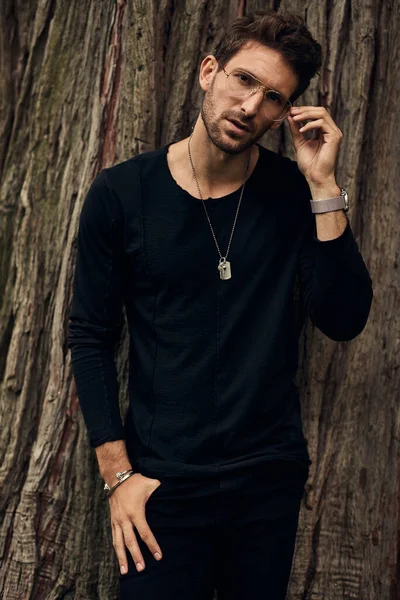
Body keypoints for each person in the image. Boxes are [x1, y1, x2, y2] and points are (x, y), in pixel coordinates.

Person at [67, 8, 373, 599]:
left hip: (265, 485)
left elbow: (343, 319)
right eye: (244, 80)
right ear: (209, 72)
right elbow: (90, 337)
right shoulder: (122, 194)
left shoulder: (292, 195)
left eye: (274, 99)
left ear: (287, 113)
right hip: (159, 486)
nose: (251, 106)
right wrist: (118, 476)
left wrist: (324, 187)